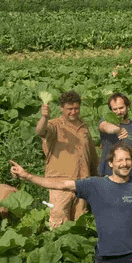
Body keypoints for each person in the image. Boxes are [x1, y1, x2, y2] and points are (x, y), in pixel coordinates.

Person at [35, 89, 97, 228]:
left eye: (76, 108)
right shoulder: (54, 125)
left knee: (80, 223)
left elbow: (92, 155)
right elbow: (40, 131)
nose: (73, 112)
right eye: (69, 109)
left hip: (81, 183)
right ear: (61, 108)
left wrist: (97, 178)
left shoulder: (83, 127)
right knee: (59, 223)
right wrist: (44, 117)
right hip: (59, 183)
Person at [98, 93, 132, 180]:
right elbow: (105, 127)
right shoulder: (105, 122)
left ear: (127, 107)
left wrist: (129, 156)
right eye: (115, 109)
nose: (118, 112)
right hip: (108, 175)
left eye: (121, 108)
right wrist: (118, 130)